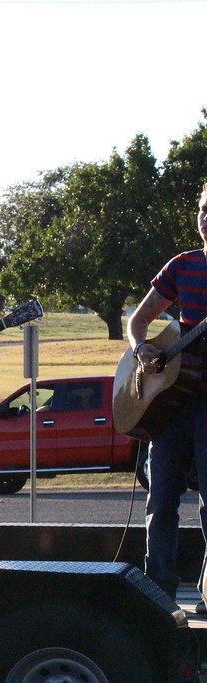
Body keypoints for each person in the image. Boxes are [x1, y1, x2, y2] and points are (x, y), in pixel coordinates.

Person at [128, 181, 207, 604]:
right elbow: (138, 321)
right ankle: (157, 593)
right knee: (160, 501)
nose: (206, 218)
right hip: (171, 402)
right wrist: (142, 350)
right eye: (203, 209)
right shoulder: (182, 265)